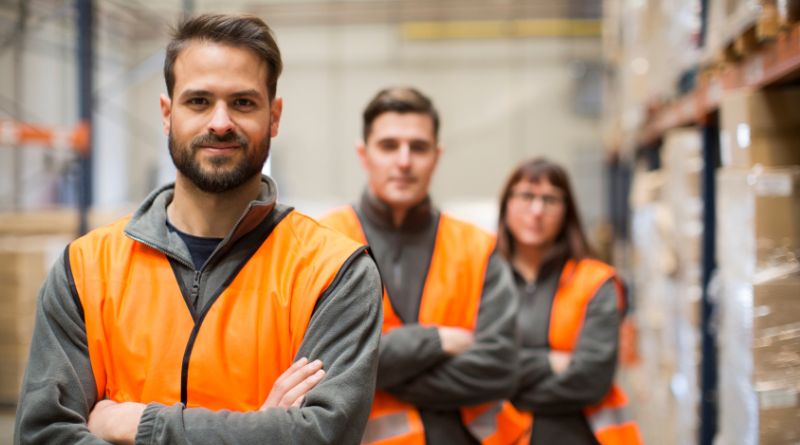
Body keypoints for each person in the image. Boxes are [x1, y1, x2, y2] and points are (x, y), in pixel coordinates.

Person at [14, 13, 383, 445]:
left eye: (243, 102)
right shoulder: (85, 269)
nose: (220, 122)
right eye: (199, 102)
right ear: (167, 114)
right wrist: (262, 431)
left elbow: (323, 436)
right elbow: (43, 434)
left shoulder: (335, 272)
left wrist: (138, 425)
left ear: (274, 116)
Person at [321, 87, 528, 445]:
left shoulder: (478, 248)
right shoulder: (323, 243)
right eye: (389, 146)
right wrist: (435, 341)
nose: (404, 161)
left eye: (418, 147)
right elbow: (321, 364)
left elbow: (501, 368)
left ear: (436, 155)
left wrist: (370, 370)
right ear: (363, 154)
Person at [496, 158, 642, 444]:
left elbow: (590, 380)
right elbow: (464, 366)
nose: (537, 211)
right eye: (527, 196)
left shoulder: (595, 281)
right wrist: (551, 361)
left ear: (567, 210)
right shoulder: (480, 277)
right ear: (507, 204)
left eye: (549, 199)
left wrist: (498, 389)